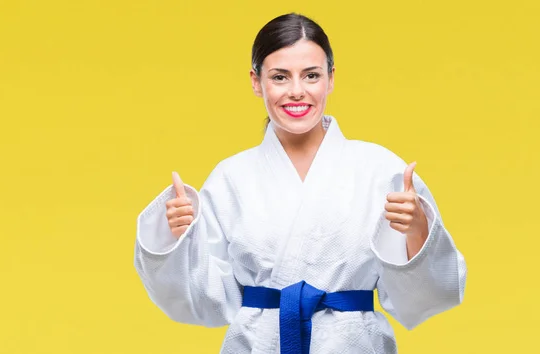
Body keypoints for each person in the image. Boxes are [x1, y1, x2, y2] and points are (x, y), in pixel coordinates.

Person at [133, 12, 467, 354]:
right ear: (255, 80)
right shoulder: (231, 177)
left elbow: (425, 296)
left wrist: (418, 230)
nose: (296, 92)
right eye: (280, 77)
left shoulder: (380, 169)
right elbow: (204, 299)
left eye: (311, 76)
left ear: (331, 78)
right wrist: (174, 238)